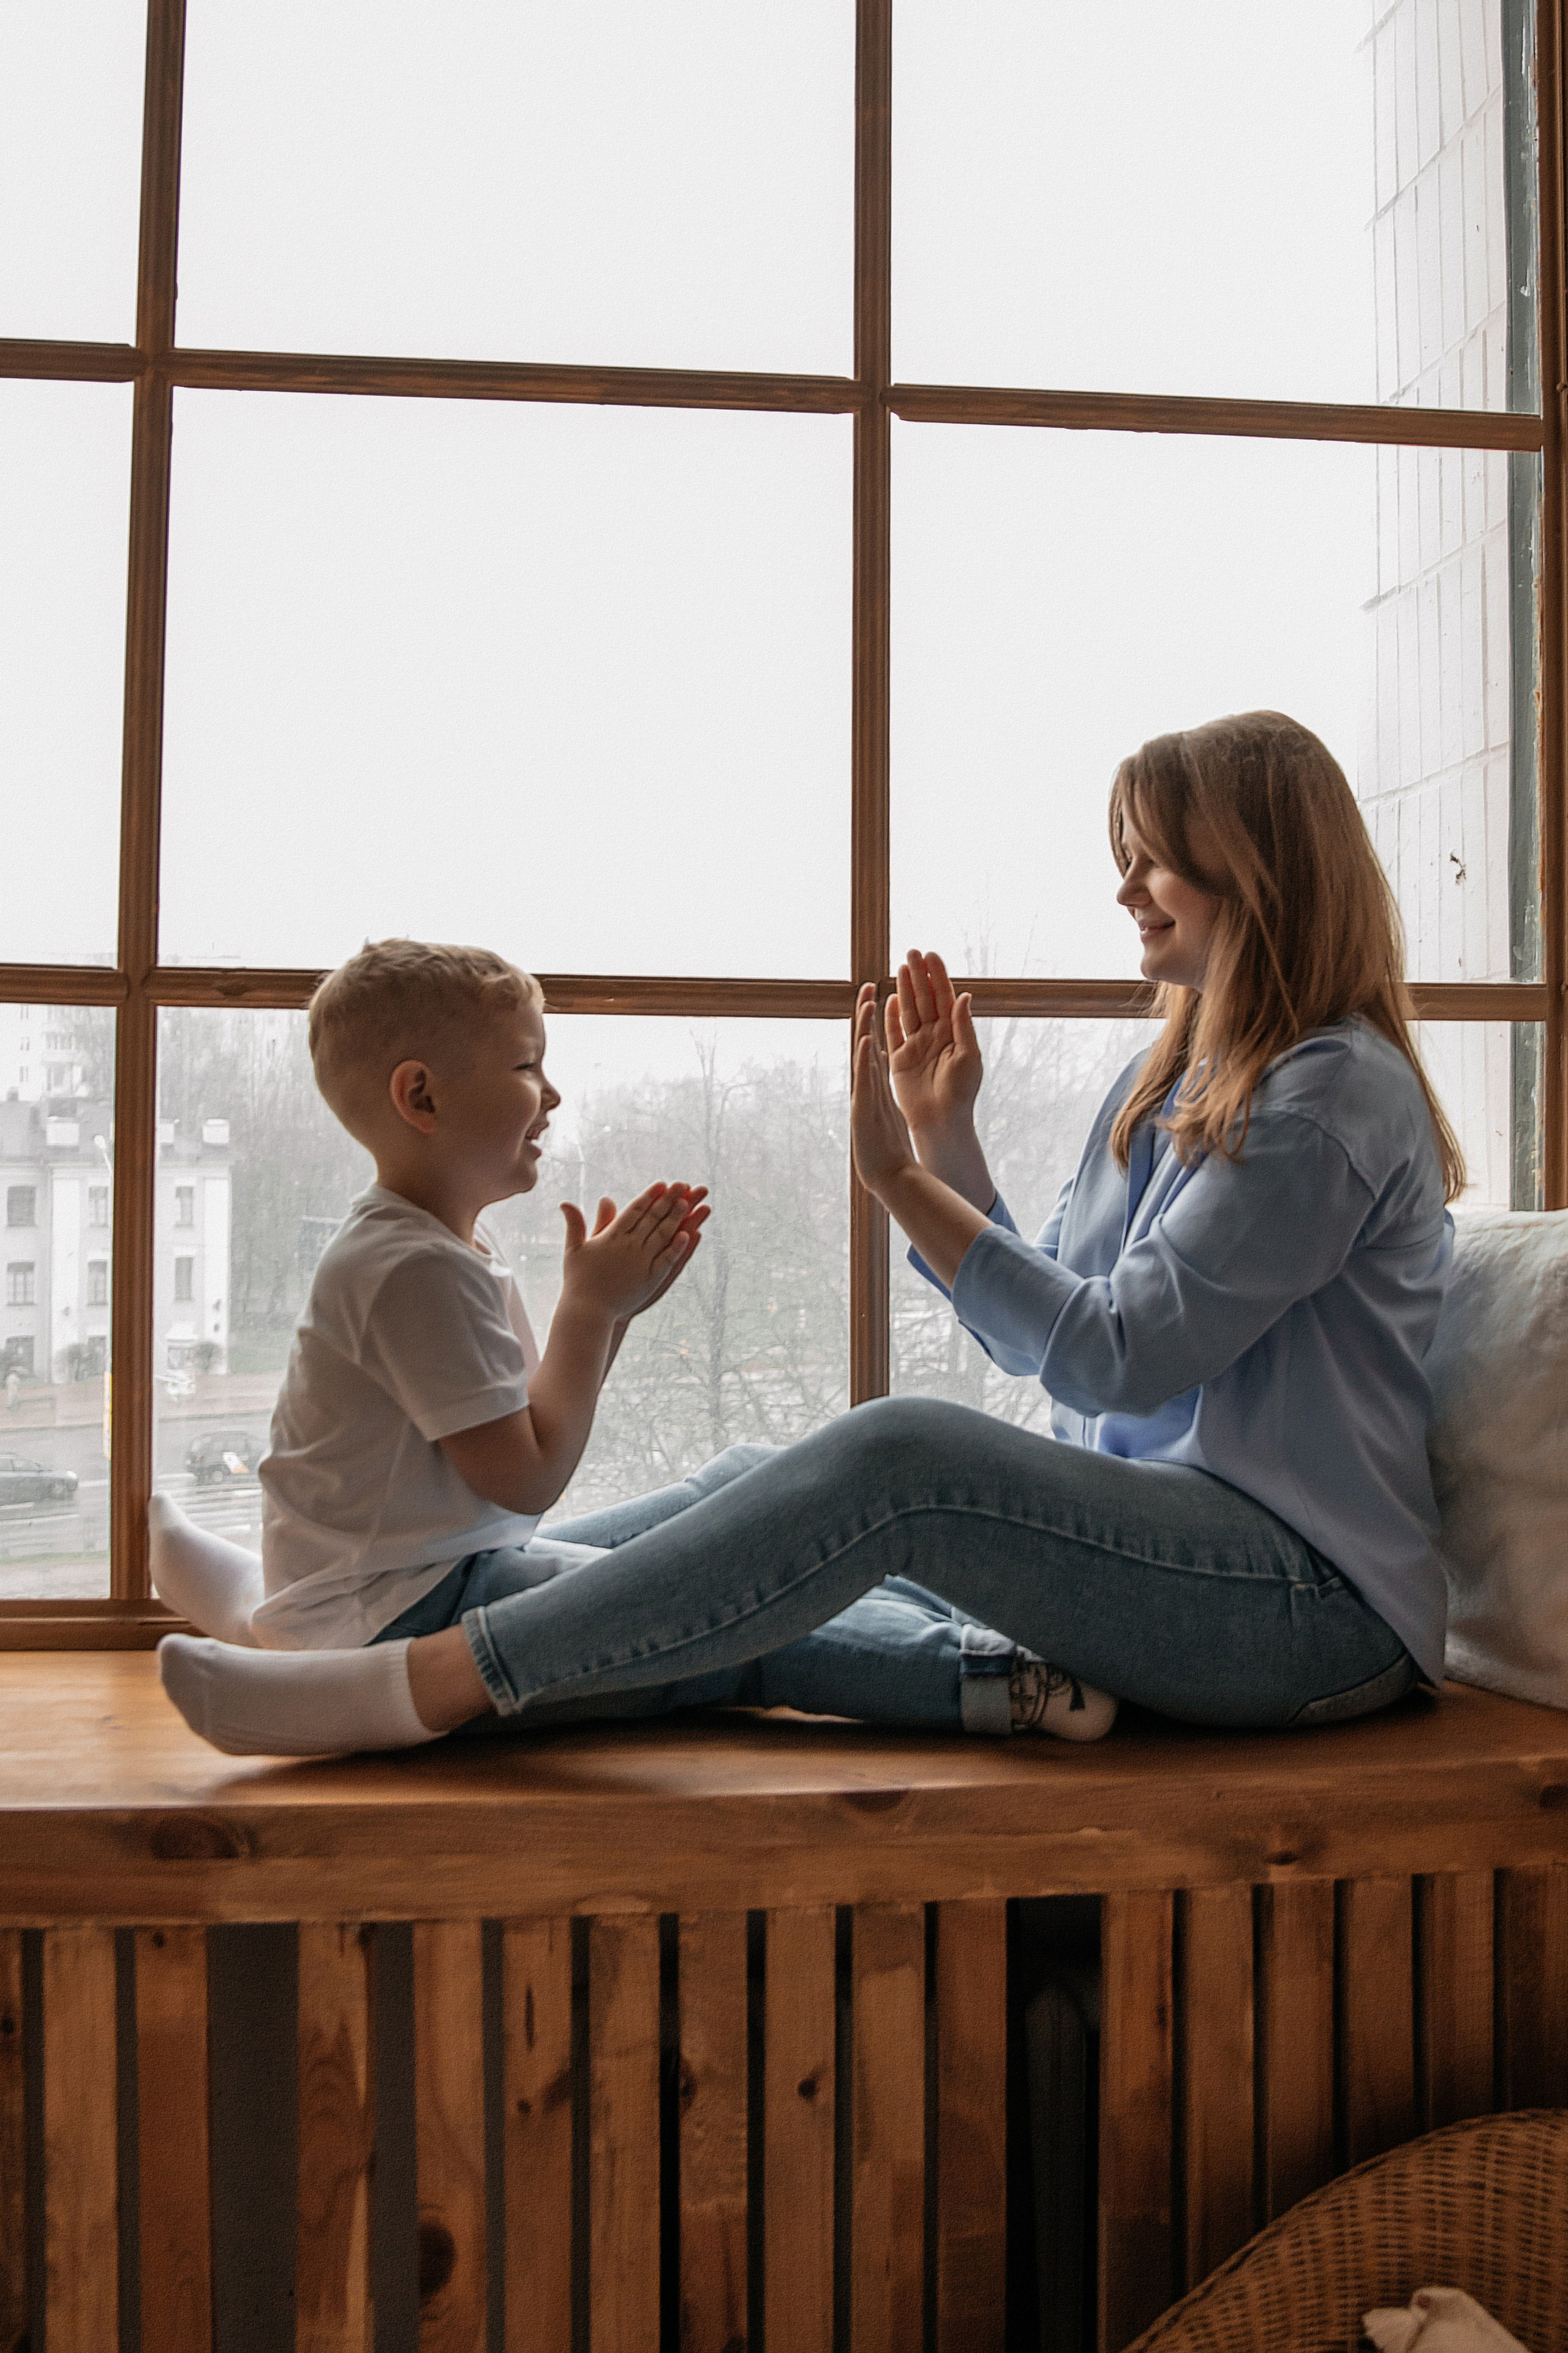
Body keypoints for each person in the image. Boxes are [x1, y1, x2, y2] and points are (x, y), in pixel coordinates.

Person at [160, 711, 1458, 1760]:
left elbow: (1111, 1360)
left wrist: (899, 1185)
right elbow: (1057, 1309)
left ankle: (421, 1684)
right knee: (747, 1479)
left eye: (1154, 855)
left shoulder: (1333, 1093)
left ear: (1260, 869)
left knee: (896, 1452)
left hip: (1303, 1611)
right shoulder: (1161, 1081)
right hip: (1168, 1554)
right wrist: (942, 1139)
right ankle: (344, 1622)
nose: (1123, 884)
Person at [153, 937, 1101, 1753]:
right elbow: (525, 1477)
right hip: (411, 1612)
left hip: (440, 1577)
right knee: (729, 1612)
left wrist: (611, 1311)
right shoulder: (409, 1271)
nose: (552, 1092)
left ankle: (978, 1626)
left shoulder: (435, 1249)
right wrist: (587, 1312)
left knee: (738, 1484)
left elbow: (516, 1424)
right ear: (422, 1096)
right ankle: (994, 1679)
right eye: (526, 1068)